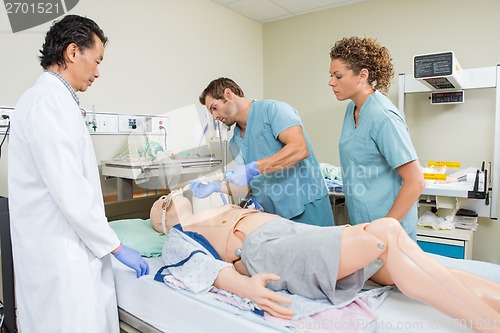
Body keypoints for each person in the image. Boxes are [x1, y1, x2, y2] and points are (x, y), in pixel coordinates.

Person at [150, 192, 500, 332]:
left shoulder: (217, 204)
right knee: (387, 232)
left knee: (404, 255)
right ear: (162, 216)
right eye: (167, 198)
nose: (177, 195)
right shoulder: (178, 235)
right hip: (266, 251)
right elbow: (200, 267)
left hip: (292, 232)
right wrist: (244, 287)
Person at [8, 15, 149, 333]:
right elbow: (70, 191)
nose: (98, 72)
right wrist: (115, 246)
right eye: (96, 61)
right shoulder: (48, 103)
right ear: (73, 52)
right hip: (60, 257)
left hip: (62, 249)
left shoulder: (55, 102)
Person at [191, 77, 334, 227]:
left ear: (228, 94)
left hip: (308, 208)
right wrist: (217, 187)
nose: (214, 117)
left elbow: (299, 149)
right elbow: (247, 188)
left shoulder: (273, 110)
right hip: (276, 219)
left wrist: (254, 168)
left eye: (214, 108)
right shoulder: (235, 142)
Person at [328, 36, 425, 240]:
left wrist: (385, 228)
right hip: (364, 225)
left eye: (338, 76)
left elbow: (415, 181)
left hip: (390, 230)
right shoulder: (352, 109)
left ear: (362, 75)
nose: (331, 82)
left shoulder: (383, 116)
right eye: (331, 76)